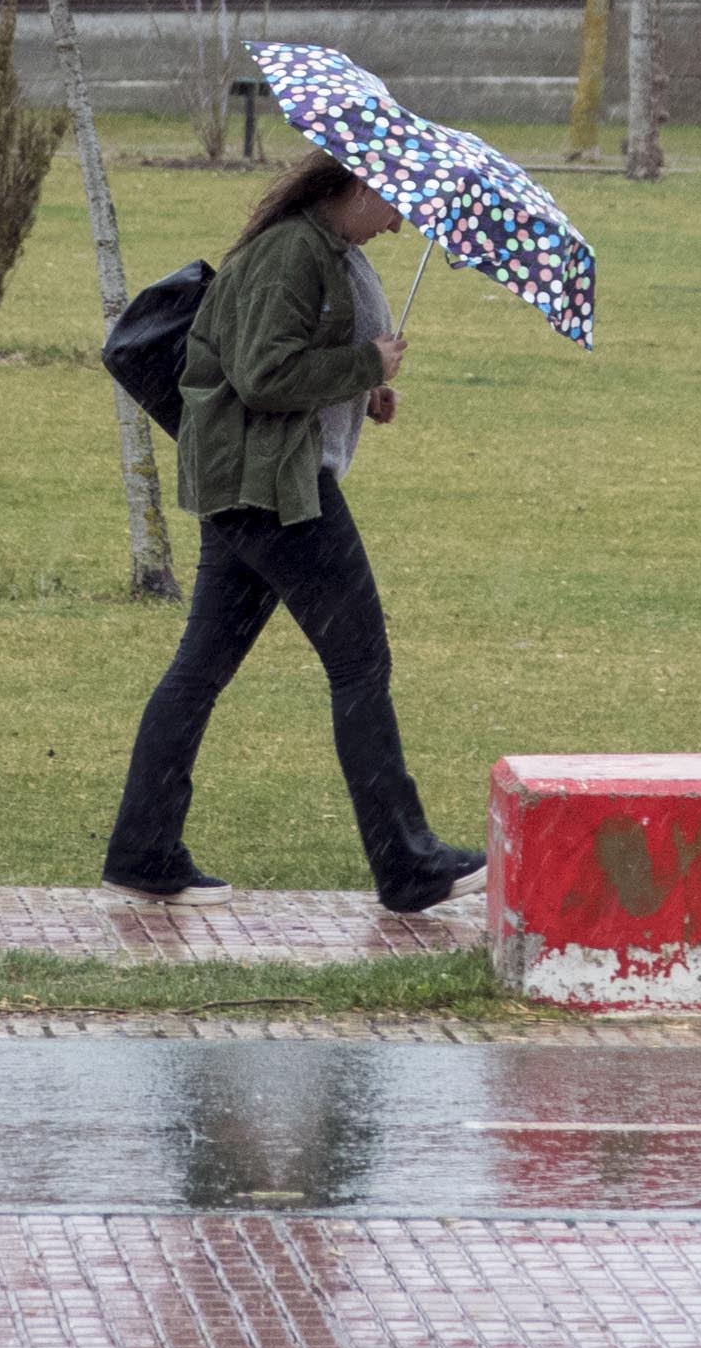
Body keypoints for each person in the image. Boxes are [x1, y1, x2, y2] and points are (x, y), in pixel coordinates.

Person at [98, 147, 487, 913]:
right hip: (275, 492)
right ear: (361, 184)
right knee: (360, 662)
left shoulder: (322, 249)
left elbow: (292, 363)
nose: (402, 221)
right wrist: (363, 363)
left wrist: (362, 388)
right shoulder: (291, 253)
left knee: (199, 670)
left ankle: (143, 854)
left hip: (252, 485)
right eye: (397, 202)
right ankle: (407, 865)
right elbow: (263, 376)